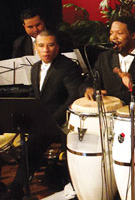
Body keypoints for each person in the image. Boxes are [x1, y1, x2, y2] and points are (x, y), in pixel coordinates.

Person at [5, 30, 83, 199]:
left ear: (58, 47)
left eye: (50, 45)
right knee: (30, 145)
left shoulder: (68, 66)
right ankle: (17, 187)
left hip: (62, 121)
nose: (46, 50)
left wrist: (53, 118)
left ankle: (76, 187)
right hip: (43, 122)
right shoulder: (35, 68)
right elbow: (36, 95)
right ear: (36, 48)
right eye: (41, 46)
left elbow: (74, 96)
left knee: (39, 142)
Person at [83, 16, 135, 104]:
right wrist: (89, 89)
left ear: (133, 35)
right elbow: (89, 81)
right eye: (111, 33)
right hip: (111, 114)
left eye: (119, 33)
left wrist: (134, 86)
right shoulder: (104, 58)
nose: (113, 38)